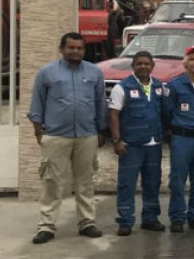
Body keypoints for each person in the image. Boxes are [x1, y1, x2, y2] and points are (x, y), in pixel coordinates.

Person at [28, 32, 109, 244]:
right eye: (71, 47)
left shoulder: (94, 72)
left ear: (84, 50)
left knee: (85, 181)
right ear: (62, 49)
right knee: (52, 182)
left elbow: (101, 102)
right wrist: (39, 132)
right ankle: (46, 226)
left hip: (87, 135)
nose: (75, 51)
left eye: (79, 48)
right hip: (56, 135)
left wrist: (101, 130)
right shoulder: (46, 73)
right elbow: (37, 103)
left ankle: (87, 223)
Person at [109, 50, 167, 235]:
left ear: (152, 66)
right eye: (139, 63)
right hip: (131, 145)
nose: (143, 66)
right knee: (127, 184)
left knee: (152, 182)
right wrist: (117, 140)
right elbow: (113, 114)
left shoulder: (159, 86)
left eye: (146, 63)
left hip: (154, 144)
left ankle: (150, 218)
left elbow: (165, 112)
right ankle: (125, 221)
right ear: (133, 66)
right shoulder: (122, 87)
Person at [165, 45, 194, 232]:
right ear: (185, 63)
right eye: (192, 59)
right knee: (177, 179)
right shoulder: (174, 84)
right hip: (181, 137)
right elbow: (167, 111)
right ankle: (177, 217)